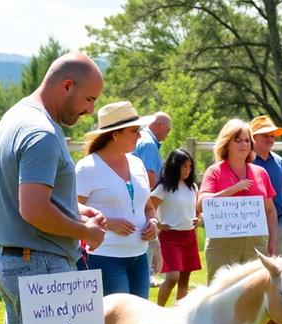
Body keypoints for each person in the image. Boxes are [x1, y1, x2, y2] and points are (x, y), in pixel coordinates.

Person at [0, 53, 107, 324]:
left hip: (13, 258)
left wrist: (77, 213)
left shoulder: (15, 117)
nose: (90, 111)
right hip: (40, 261)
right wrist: (85, 232)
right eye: (89, 99)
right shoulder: (41, 132)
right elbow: (34, 209)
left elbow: (37, 195)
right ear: (66, 86)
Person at [75, 101, 159, 300]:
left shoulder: (138, 164)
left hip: (139, 257)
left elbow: (148, 208)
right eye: (134, 130)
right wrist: (108, 223)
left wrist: (153, 222)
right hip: (105, 257)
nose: (140, 135)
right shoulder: (87, 167)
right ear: (115, 134)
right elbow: (71, 209)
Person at [198, 118, 278, 283]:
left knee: (255, 292)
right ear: (227, 143)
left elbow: (270, 210)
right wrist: (233, 189)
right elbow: (201, 204)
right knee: (220, 293)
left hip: (256, 243)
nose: (243, 144)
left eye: (247, 140)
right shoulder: (214, 172)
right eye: (238, 140)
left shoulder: (260, 172)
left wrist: (273, 240)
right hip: (222, 244)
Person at [152, 149, 201, 305]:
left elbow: (196, 211)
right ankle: (158, 310)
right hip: (170, 237)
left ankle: (180, 311)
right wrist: (158, 224)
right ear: (174, 166)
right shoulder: (164, 188)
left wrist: (199, 218)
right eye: (184, 166)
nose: (188, 170)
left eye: (190, 166)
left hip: (189, 237)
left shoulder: (192, 187)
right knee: (173, 276)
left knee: (185, 277)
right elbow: (148, 207)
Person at [133, 112, 172, 284]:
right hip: (144, 200)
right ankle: (146, 275)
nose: (167, 134)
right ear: (159, 125)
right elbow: (149, 178)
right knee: (147, 236)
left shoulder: (144, 141)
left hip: (138, 200)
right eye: (167, 130)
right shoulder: (149, 144)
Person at [250, 115, 282, 256]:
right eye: (266, 136)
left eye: (272, 136)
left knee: (278, 264)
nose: (270, 139)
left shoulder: (279, 161)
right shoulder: (246, 163)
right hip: (252, 222)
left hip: (279, 221)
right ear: (254, 137)